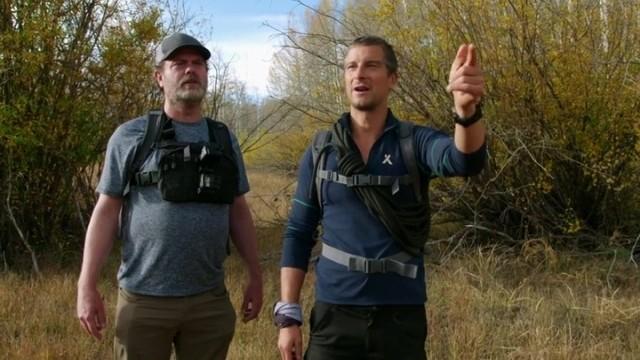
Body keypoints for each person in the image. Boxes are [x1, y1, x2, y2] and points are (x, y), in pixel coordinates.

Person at [276, 35, 487, 360]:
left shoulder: (413, 142)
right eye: (351, 66)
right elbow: (298, 232)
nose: (359, 74)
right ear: (345, 79)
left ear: (392, 79)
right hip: (334, 314)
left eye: (371, 65)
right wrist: (288, 316)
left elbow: (463, 160)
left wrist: (466, 112)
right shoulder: (321, 151)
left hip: (400, 315)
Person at [76, 32, 263, 360]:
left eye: (198, 64)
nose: (191, 70)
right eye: (179, 63)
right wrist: (86, 285)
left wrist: (256, 275)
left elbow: (238, 209)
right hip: (144, 301)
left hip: (210, 300)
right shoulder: (131, 136)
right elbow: (106, 212)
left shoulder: (222, 138)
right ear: (160, 77)